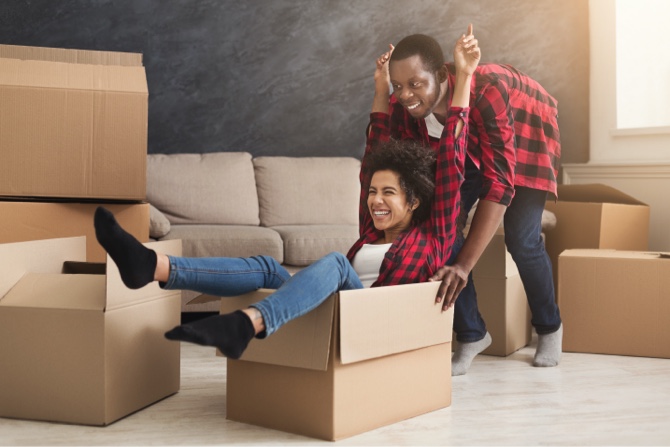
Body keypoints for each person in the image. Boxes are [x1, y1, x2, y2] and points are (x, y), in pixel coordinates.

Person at [93, 28, 480, 360]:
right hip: (337, 310)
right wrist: (381, 90)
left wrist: (463, 76)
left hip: (369, 323)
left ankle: (249, 324)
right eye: (373, 192)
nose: (376, 200)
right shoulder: (370, 231)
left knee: (335, 264)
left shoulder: (435, 236)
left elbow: (452, 158)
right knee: (267, 268)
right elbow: (374, 150)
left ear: (413, 201)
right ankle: (152, 266)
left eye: (389, 194)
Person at [370, 25, 562, 375]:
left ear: (442, 76)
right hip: (471, 145)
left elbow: (499, 182)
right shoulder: (406, 106)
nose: (406, 94)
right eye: (398, 86)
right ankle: (472, 334)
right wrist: (383, 90)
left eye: (415, 84)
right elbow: (389, 159)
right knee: (440, 225)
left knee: (522, 239)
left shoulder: (486, 91)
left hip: (527, 129)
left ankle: (549, 327)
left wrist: (463, 265)